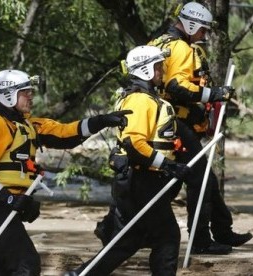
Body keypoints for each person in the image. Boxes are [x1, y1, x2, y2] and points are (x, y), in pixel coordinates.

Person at [0, 69, 131, 275]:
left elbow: (66, 134)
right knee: (26, 264)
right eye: (25, 92)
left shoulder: (29, 125)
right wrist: (9, 199)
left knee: (2, 269)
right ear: (8, 94)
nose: (31, 96)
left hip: (2, 207)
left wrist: (100, 121)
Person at [66, 45, 191, 276]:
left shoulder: (145, 98)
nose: (162, 71)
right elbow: (135, 144)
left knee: (128, 240)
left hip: (140, 178)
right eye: (158, 67)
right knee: (167, 236)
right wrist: (169, 165)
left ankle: (79, 275)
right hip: (141, 179)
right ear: (145, 70)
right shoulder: (141, 100)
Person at [148, 2, 253, 254]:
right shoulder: (181, 48)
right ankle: (200, 241)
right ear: (192, 24)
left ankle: (222, 230)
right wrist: (214, 94)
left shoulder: (158, 43)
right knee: (200, 179)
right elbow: (176, 87)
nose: (204, 35)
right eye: (203, 30)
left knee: (201, 179)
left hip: (163, 122)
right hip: (176, 123)